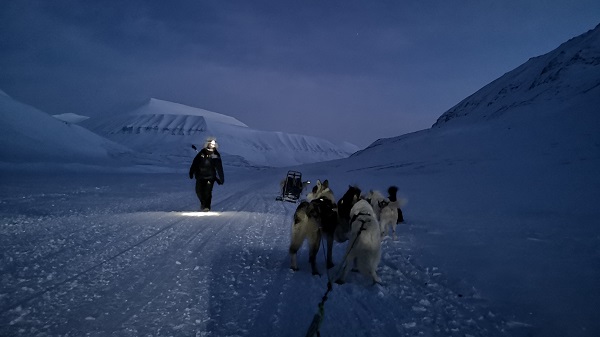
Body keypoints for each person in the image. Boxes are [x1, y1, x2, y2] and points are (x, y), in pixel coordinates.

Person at [189, 137, 225, 211]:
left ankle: (207, 207)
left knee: (207, 191)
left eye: (213, 144)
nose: (212, 145)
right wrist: (191, 171)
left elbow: (219, 167)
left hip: (210, 177)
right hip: (200, 176)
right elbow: (195, 162)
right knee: (198, 191)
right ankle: (203, 203)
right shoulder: (201, 153)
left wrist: (221, 178)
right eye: (211, 144)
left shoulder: (215, 155)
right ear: (207, 144)